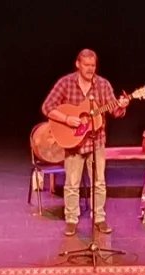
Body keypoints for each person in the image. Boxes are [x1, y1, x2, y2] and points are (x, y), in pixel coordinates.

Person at [41, 48, 129, 237]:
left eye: (93, 65)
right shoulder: (66, 83)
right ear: (78, 64)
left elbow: (114, 111)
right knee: (72, 184)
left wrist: (121, 106)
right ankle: (71, 220)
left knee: (99, 183)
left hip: (97, 142)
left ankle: (99, 218)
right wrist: (67, 119)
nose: (90, 69)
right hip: (74, 144)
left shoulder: (102, 85)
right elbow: (47, 107)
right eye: (86, 65)